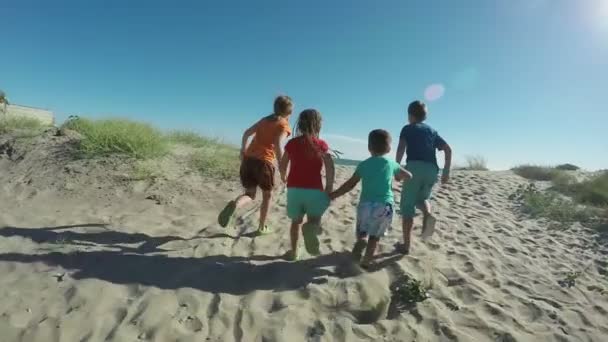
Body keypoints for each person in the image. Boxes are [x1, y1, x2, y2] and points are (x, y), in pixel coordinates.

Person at [330, 129, 411, 269]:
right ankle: (366, 262)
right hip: (384, 205)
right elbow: (409, 175)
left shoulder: (363, 164)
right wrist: (399, 176)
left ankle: (361, 240)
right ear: (389, 148)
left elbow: (350, 184)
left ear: (369, 148)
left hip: (365, 204)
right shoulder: (391, 164)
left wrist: (334, 194)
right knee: (375, 236)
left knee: (362, 231)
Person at [217, 95, 293, 234]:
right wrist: (283, 170)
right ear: (289, 113)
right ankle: (262, 227)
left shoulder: (263, 121)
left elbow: (246, 133)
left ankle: (235, 204)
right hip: (264, 163)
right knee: (267, 196)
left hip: (248, 160)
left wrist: (243, 151)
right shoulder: (284, 124)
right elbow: (278, 145)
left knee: (250, 194)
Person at [395, 100, 452, 254]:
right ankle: (428, 214)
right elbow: (448, 149)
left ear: (410, 115)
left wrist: (396, 167)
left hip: (414, 168)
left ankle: (406, 246)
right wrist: (446, 172)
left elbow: (401, 147)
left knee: (407, 208)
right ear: (425, 116)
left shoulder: (407, 128)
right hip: (432, 170)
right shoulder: (432, 131)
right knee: (422, 199)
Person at [279, 109, 334, 260]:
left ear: (300, 125)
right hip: (315, 190)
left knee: (295, 222)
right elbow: (329, 166)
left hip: (294, 189)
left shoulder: (292, 144)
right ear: (318, 125)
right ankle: (310, 228)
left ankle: (293, 252)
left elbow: (283, 164)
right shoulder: (321, 145)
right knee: (314, 219)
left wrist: (283, 176)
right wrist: (329, 186)